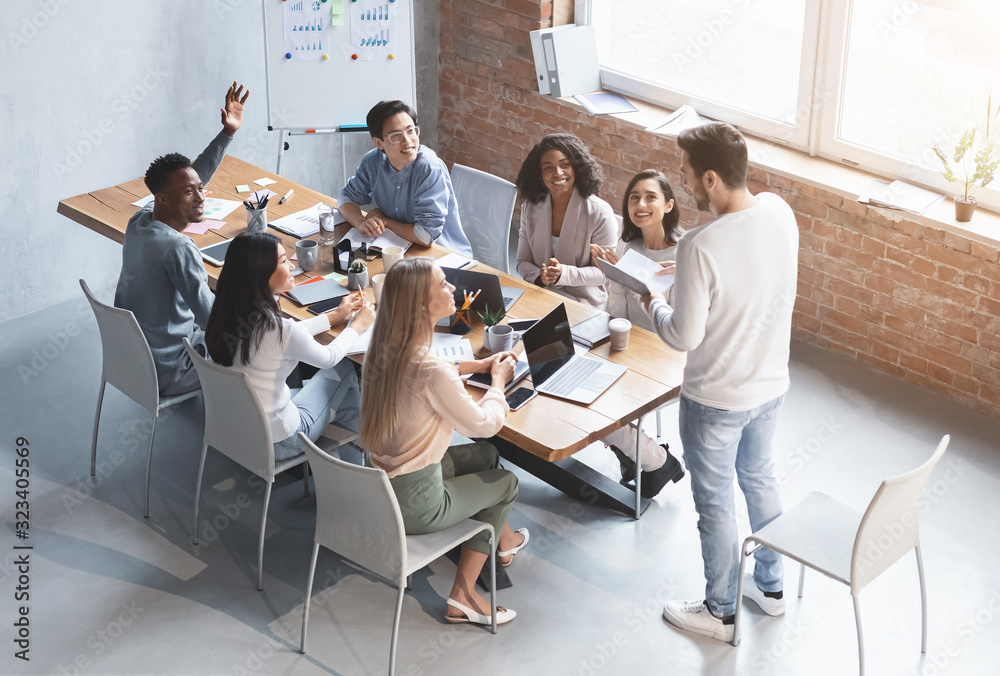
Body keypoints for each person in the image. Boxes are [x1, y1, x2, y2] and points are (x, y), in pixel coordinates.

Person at [641, 123, 798, 642]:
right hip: (770, 384)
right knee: (759, 480)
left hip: (714, 400)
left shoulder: (700, 246)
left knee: (715, 503)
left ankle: (719, 610)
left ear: (710, 178)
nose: (682, 182)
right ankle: (771, 589)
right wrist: (687, 280)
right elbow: (749, 280)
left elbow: (684, 335)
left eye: (685, 173)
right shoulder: (779, 211)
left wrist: (657, 303)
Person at [361, 257, 528, 626]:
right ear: (421, 304)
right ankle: (463, 596)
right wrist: (498, 382)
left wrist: (479, 367)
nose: (452, 288)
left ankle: (504, 544)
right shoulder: (432, 371)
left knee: (486, 457)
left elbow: (428, 369)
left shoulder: (384, 346)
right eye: (443, 284)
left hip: (380, 485)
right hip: (416, 503)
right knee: (507, 482)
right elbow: (485, 424)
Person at [115, 81, 249, 396]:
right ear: (163, 198)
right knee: (260, 341)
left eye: (199, 189)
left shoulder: (140, 221)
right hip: (170, 370)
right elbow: (212, 320)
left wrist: (227, 133)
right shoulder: (178, 247)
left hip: (133, 360)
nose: (201, 198)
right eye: (191, 193)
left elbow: (191, 174)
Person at [204, 232, 375, 461]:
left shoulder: (230, 313)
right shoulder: (279, 329)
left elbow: (288, 335)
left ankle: (352, 448)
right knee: (344, 371)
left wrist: (334, 315)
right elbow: (330, 357)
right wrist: (358, 325)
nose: (292, 264)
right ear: (262, 274)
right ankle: (361, 452)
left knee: (345, 400)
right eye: (284, 260)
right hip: (282, 441)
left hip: (238, 429)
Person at [590, 170, 686, 499]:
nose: (640, 204)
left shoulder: (684, 255)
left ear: (669, 205)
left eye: (650, 197)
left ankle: (651, 459)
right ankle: (649, 458)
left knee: (599, 405)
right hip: (629, 349)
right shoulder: (628, 244)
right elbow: (615, 313)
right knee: (579, 389)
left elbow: (677, 326)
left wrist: (635, 281)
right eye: (634, 198)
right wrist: (614, 275)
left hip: (667, 358)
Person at [339, 100, 473, 257]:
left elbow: (426, 236)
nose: (408, 141)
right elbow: (345, 199)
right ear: (379, 143)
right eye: (396, 135)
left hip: (442, 255)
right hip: (398, 246)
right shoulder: (372, 161)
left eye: (411, 131)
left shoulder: (428, 167)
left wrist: (385, 222)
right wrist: (360, 222)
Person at [514, 133, 617, 308]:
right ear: (540, 175)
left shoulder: (600, 212)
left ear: (576, 168)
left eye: (565, 165)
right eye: (548, 168)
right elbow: (522, 262)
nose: (558, 173)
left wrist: (564, 273)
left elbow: (604, 273)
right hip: (541, 293)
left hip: (583, 302)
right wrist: (540, 275)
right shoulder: (530, 208)